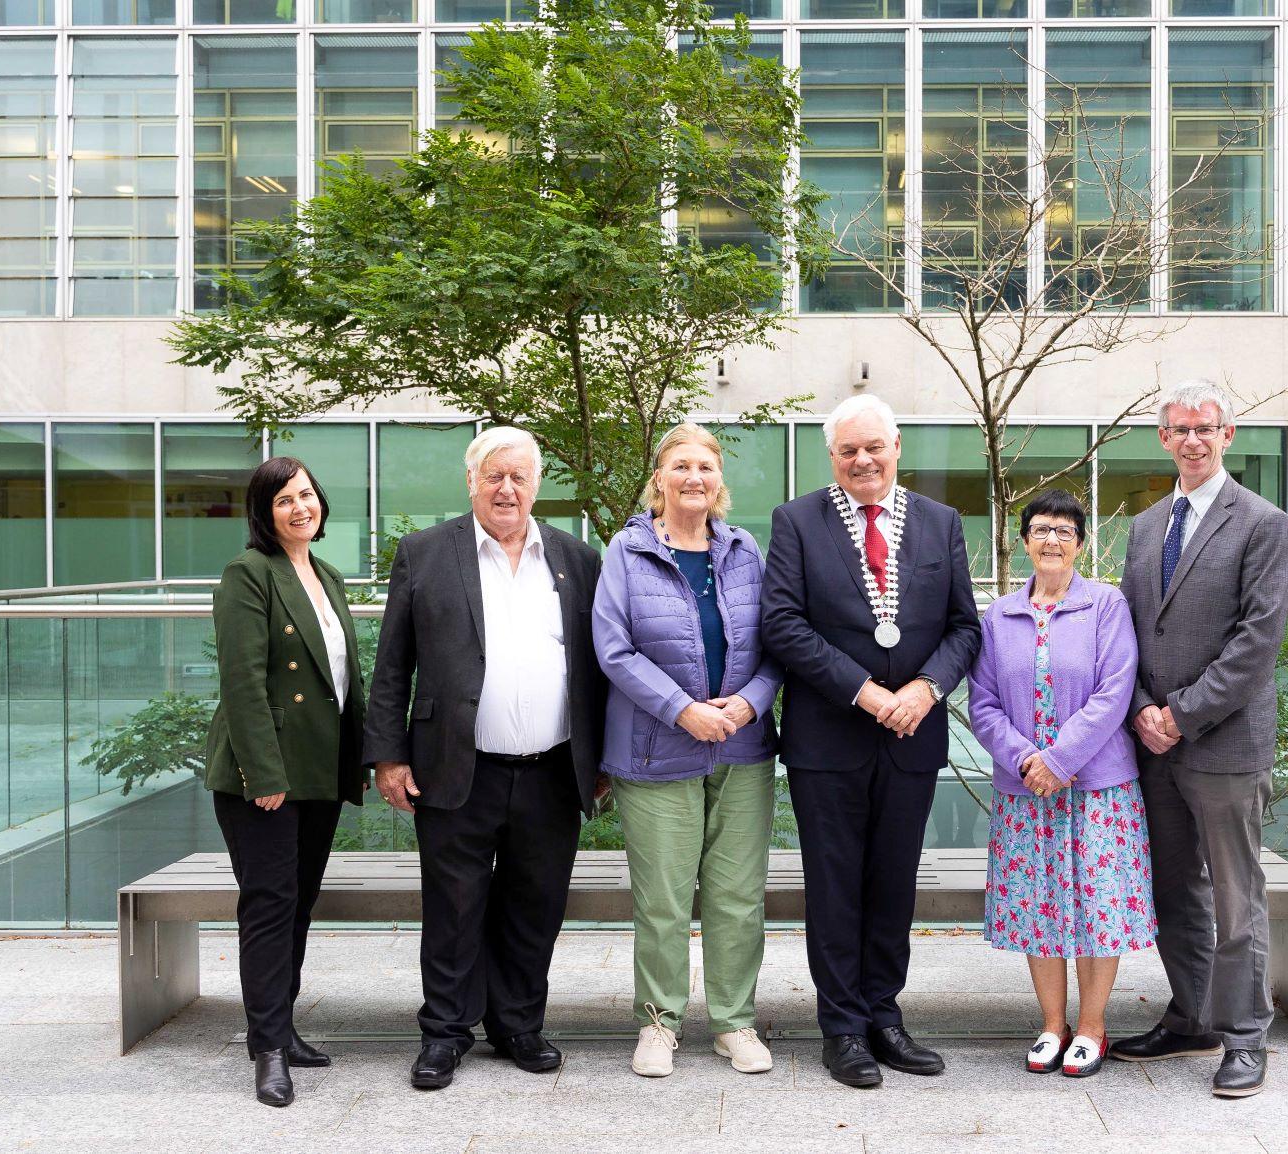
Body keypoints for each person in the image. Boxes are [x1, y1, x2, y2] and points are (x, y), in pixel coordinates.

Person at [361, 426, 606, 1092]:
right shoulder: (424, 554)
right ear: (471, 481)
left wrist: (602, 757)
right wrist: (387, 756)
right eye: (494, 476)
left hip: (553, 769)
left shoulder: (577, 559)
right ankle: (444, 1033)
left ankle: (518, 1026)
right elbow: (391, 666)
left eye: (519, 476)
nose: (506, 488)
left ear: (537, 484)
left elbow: (598, 669)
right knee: (454, 907)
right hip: (453, 766)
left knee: (535, 905)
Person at [759, 394, 982, 1089]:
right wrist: (865, 690)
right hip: (829, 738)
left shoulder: (941, 523)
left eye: (874, 447)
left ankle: (886, 1016)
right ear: (833, 457)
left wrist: (923, 690)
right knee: (834, 886)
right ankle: (844, 1028)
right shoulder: (797, 521)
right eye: (849, 450)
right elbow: (783, 624)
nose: (863, 460)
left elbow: (964, 628)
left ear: (896, 448)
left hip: (913, 735)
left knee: (892, 884)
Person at [1111, 379, 1288, 1099]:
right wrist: (1139, 710)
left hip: (1221, 745)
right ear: (1164, 439)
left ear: (1228, 436)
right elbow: (1125, 630)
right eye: (1179, 429)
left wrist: (1180, 713)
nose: (1192, 439)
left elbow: (1257, 641)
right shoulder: (1147, 523)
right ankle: (1192, 1014)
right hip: (1153, 743)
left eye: (1205, 428)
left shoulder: (1262, 523)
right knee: (1172, 890)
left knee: (1234, 895)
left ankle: (1246, 1037)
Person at [593, 423, 783, 1079]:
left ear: (718, 480)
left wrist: (750, 700)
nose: (693, 477)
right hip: (656, 753)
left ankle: (734, 1023)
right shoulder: (626, 551)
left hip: (743, 750)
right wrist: (683, 710)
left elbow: (776, 643)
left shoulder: (744, 550)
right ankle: (658, 1024)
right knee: (665, 901)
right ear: (660, 478)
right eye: (681, 466)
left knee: (737, 896)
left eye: (705, 465)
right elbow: (614, 650)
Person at [968, 489, 1157, 1080]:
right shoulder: (998, 616)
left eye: (1065, 531)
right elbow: (983, 703)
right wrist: (1031, 761)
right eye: (1041, 529)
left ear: (1080, 543)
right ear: (1023, 541)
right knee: (1038, 905)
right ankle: (1053, 1024)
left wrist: (1063, 758)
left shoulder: (1106, 606)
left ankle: (1094, 1026)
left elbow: (1115, 690)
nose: (1052, 540)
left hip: (1099, 787)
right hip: (1028, 790)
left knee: (1099, 904)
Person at [202, 456, 367, 1108]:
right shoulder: (250, 573)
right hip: (265, 775)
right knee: (269, 906)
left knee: (297, 904)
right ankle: (267, 1048)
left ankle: (283, 1026)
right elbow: (242, 681)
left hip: (319, 769)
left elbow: (341, 681)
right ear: (264, 513)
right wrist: (262, 774)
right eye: (283, 500)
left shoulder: (326, 574)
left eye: (306, 495)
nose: (300, 507)